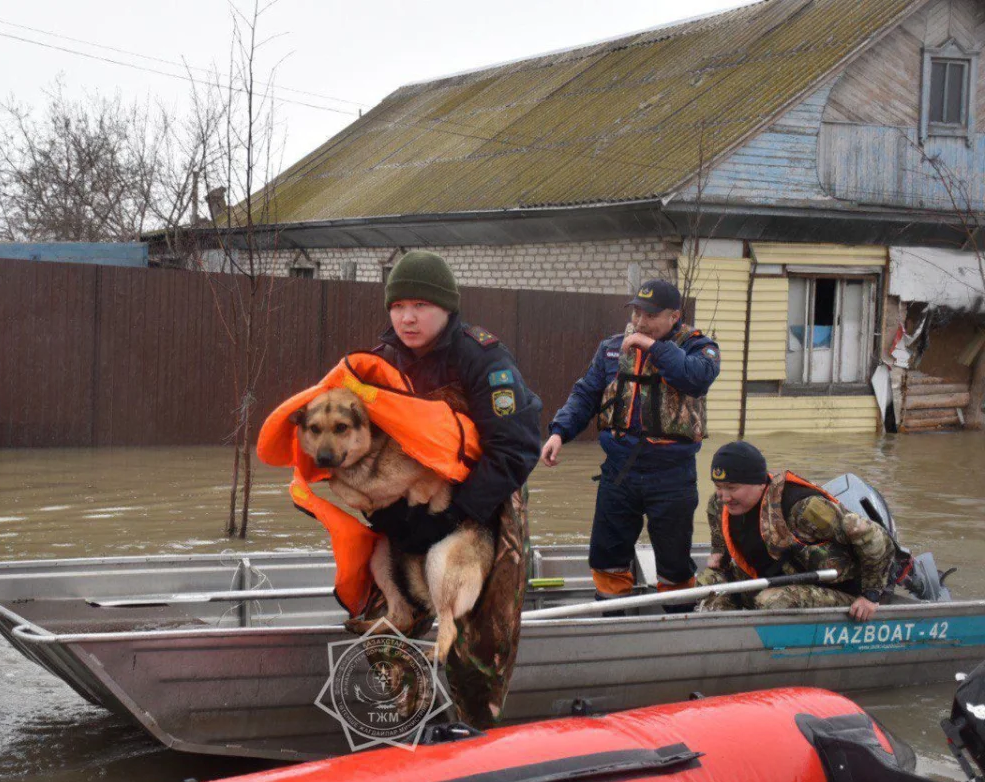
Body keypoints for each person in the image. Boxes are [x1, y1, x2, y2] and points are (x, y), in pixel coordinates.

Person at [362, 250, 542, 729]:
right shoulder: (378, 364)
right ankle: (398, 724)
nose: (407, 317)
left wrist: (451, 516)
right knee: (380, 618)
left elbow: (517, 450)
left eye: (420, 305)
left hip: (482, 510)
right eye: (398, 306)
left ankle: (474, 730)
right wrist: (381, 512)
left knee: (480, 639)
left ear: (447, 307)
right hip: (406, 510)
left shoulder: (483, 358)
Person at [540, 279, 720, 610]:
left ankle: (678, 622)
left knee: (674, 560)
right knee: (607, 554)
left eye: (650, 315)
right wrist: (559, 432)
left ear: (674, 316)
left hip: (672, 474)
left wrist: (651, 346)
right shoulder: (611, 348)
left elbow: (695, 378)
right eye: (636, 312)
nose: (639, 322)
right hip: (619, 471)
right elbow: (586, 394)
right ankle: (611, 620)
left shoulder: (699, 348)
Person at [698, 441, 896, 622]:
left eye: (732, 488)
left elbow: (874, 537)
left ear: (759, 483)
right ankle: (726, 633)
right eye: (718, 487)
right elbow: (718, 527)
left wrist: (871, 595)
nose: (725, 496)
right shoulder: (719, 504)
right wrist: (718, 551)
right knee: (707, 583)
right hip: (781, 578)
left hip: (836, 589)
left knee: (772, 601)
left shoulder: (804, 509)